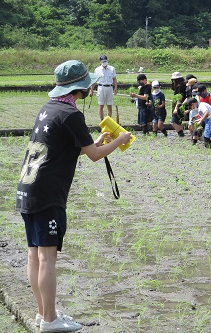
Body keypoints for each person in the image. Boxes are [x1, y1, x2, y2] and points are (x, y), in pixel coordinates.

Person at [16, 60, 132, 333]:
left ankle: (43, 314)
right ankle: (49, 321)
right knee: (47, 258)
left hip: (28, 187)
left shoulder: (49, 109)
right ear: (82, 87)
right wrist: (120, 139)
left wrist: (96, 142)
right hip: (47, 193)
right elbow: (94, 156)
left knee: (34, 255)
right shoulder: (71, 114)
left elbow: (67, 149)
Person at [92, 54, 117, 120]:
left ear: (107, 61)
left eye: (105, 61)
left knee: (109, 105)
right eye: (103, 61)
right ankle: (102, 120)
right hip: (101, 88)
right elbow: (94, 80)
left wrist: (116, 88)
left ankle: (108, 121)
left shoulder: (112, 68)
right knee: (101, 105)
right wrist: (91, 90)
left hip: (109, 87)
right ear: (100, 62)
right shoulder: (97, 69)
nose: (104, 63)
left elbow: (114, 79)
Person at [170, 71, 186, 137]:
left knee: (173, 122)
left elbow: (179, 98)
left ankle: (181, 134)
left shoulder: (180, 87)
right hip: (180, 105)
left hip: (178, 106)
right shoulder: (181, 85)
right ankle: (181, 134)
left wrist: (176, 108)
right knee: (178, 122)